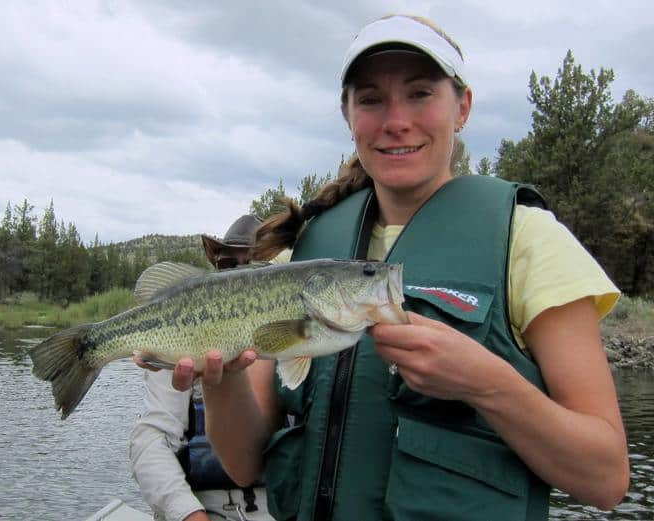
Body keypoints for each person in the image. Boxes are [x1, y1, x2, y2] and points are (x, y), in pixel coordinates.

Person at [166, 15, 630, 521]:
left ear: (463, 108)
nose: (395, 121)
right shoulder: (298, 258)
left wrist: (485, 383)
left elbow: (605, 480)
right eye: (370, 99)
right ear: (347, 115)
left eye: (420, 93)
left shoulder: (531, 241)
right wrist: (220, 380)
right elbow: (241, 464)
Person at [129, 214, 275, 521]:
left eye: (256, 265)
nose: (241, 276)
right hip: (200, 507)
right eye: (228, 265)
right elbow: (151, 437)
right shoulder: (179, 336)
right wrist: (188, 512)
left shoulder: (301, 345)